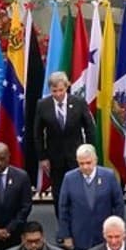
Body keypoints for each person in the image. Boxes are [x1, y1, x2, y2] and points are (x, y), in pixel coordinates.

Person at [58, 144, 125, 250]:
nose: (85, 167)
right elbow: (63, 208)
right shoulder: (69, 178)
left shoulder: (109, 176)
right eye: (81, 163)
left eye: (88, 163)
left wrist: (118, 230)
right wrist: (65, 235)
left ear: (95, 160)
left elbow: (118, 205)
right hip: (80, 236)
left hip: (104, 236)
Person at [34, 71, 97, 208]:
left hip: (77, 157)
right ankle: (62, 220)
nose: (58, 94)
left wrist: (90, 151)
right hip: (55, 158)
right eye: (54, 91)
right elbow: (37, 133)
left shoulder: (78, 102)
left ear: (67, 87)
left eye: (61, 90)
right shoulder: (43, 105)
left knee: (78, 192)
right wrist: (42, 157)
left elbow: (89, 129)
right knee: (59, 194)